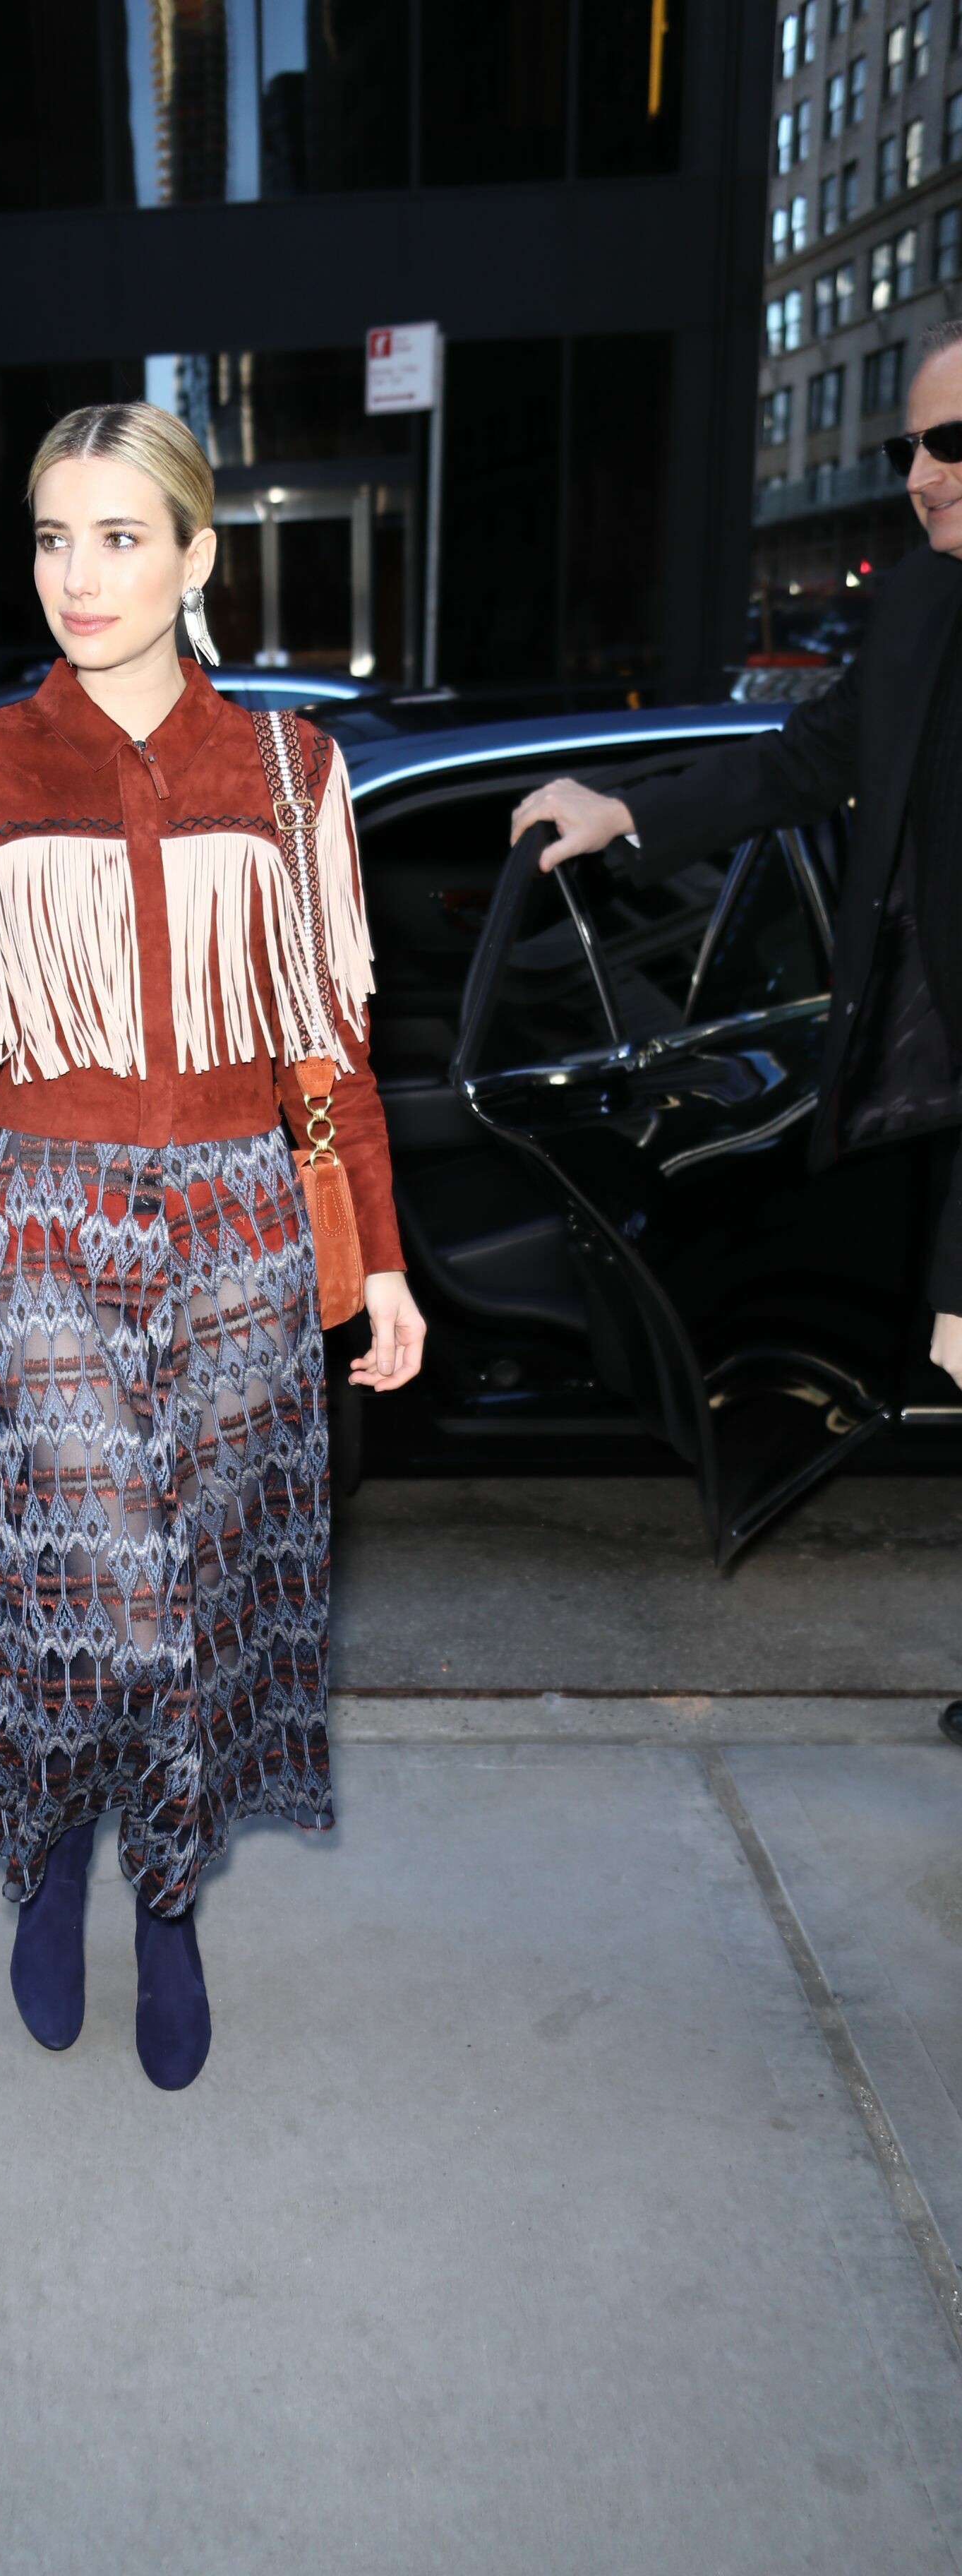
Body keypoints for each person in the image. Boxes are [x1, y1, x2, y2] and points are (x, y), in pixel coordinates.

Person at [0, 401, 426, 2088]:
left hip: (240, 1225)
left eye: (120, 537)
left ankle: (168, 1897)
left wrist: (380, 1261)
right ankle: (59, 1843)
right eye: (53, 538)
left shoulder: (287, 772)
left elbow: (328, 1048)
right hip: (43, 1220)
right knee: (107, 1584)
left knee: (205, 1591)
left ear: (196, 556)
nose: (79, 575)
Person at [510, 314, 962, 1743]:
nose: (918, 476)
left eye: (948, 443)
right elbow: (810, 757)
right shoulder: (920, 606)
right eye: (908, 448)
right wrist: (622, 810)